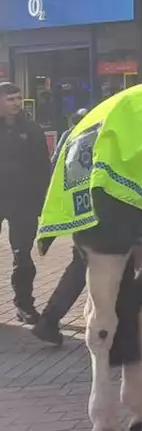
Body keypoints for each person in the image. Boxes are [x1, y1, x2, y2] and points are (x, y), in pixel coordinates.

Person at [29, 108, 91, 346]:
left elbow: (56, 170)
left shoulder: (71, 137)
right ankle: (49, 320)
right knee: (108, 268)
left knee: (84, 266)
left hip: (83, 210)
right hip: (107, 213)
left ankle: (49, 320)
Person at [0, 82, 50, 325]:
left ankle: (24, 304)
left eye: (18, 99)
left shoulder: (32, 130)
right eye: (10, 99)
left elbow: (43, 167)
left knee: (23, 255)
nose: (16, 104)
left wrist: (42, 201)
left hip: (23, 202)